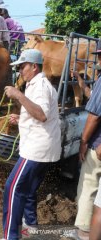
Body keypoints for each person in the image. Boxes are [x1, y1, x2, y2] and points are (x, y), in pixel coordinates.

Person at [2, 49, 61, 240]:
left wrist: (18, 95)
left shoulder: (40, 86)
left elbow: (42, 115)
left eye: (22, 67)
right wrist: (21, 118)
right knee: (28, 190)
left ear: (34, 67)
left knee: (12, 188)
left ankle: (11, 236)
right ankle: (31, 226)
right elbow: (40, 113)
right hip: (44, 148)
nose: (20, 71)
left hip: (36, 149)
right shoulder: (36, 84)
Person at [71, 41, 101, 240]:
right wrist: (82, 84)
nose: (98, 59)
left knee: (88, 186)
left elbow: (94, 115)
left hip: (98, 146)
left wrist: (83, 141)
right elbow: (94, 99)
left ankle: (84, 231)